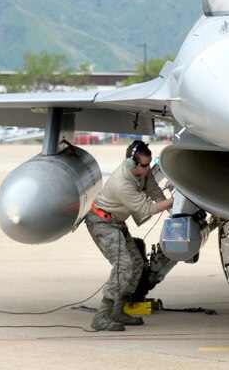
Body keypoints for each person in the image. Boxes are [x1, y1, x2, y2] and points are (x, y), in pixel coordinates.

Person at [85, 140, 174, 331]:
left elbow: (153, 190)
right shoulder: (122, 183)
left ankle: (118, 310)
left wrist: (166, 202)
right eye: (144, 165)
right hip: (102, 222)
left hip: (116, 222)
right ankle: (101, 316)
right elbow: (146, 208)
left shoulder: (142, 171)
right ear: (131, 164)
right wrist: (172, 201)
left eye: (149, 163)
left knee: (137, 263)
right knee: (124, 266)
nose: (148, 168)